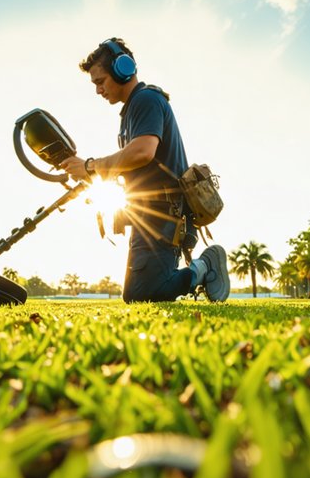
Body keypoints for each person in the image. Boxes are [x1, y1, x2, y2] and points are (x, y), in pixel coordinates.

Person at [61, 37, 230, 303]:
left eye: (100, 81)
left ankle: (204, 267)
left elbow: (143, 152)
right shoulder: (129, 112)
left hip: (163, 214)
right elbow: (135, 161)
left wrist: (91, 166)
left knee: (143, 294)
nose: (98, 90)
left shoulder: (146, 99)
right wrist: (88, 172)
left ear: (122, 69)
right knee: (137, 293)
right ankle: (196, 272)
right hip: (150, 215)